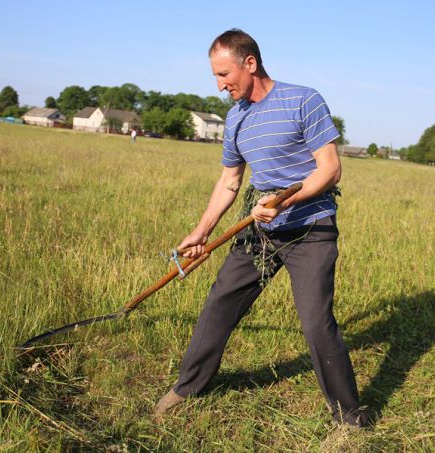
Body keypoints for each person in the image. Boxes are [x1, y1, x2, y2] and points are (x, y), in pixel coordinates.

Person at [154, 29, 369, 427]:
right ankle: (187, 387)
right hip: (260, 229)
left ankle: (349, 418)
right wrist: (202, 230)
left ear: (249, 63)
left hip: (311, 228)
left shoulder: (304, 100)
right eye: (215, 77)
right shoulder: (235, 119)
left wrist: (286, 200)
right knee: (220, 302)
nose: (220, 86)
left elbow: (330, 170)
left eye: (224, 74)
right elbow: (230, 182)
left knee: (316, 323)